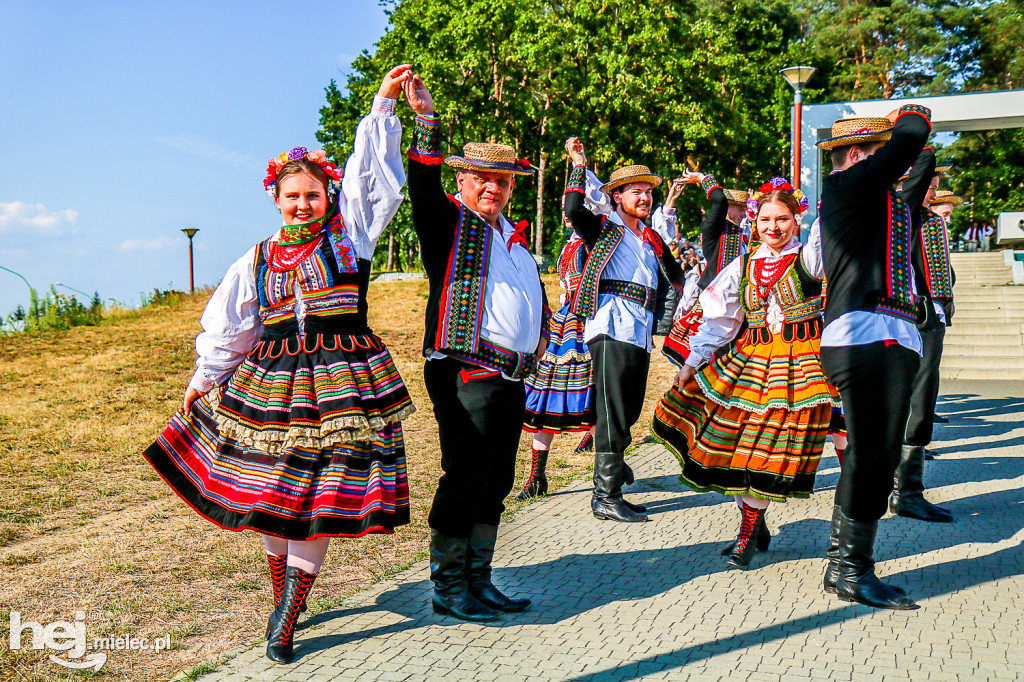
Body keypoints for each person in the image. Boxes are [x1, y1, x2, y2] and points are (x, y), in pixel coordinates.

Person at [143, 65, 415, 663]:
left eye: (312, 194)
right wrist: (203, 378)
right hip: (270, 384)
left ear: (329, 194)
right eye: (291, 196)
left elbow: (376, 182)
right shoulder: (258, 257)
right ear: (275, 197)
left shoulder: (352, 236)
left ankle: (288, 618)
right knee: (274, 495)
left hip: (343, 383)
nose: (302, 204)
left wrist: (382, 109)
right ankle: (281, 601)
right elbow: (232, 322)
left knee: (320, 500)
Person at [403, 73, 546, 622]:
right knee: (465, 474)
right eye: (482, 178)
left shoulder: (511, 235)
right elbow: (420, 187)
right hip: (466, 371)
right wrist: (426, 121)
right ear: (462, 181)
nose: (493, 187)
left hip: (510, 376)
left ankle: (478, 580)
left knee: (498, 478)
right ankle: (448, 586)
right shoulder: (449, 225)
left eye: (502, 181)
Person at [652, 178, 835, 568]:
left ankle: (751, 534)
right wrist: (690, 363)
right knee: (740, 448)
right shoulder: (745, 263)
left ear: (797, 219)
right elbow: (718, 319)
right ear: (754, 221)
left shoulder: (812, 256)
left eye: (783, 219)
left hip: (801, 363)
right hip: (749, 362)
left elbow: (828, 226)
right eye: (766, 219)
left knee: (772, 449)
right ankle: (754, 524)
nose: (773, 227)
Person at [817, 105, 933, 610]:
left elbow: (918, 160)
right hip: (864, 335)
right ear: (861, 154)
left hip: (891, 336)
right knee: (870, 456)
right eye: (881, 152)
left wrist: (914, 145)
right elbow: (911, 139)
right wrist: (908, 116)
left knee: (878, 455)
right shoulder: (846, 188)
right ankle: (848, 569)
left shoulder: (888, 203)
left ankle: (845, 565)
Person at [563, 137, 686, 523]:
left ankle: (614, 469)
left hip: (640, 328)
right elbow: (571, 206)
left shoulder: (650, 238)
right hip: (609, 324)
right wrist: (579, 165)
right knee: (613, 409)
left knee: (629, 408)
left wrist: (665, 322)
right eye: (636, 191)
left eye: (649, 192)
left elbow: (675, 277)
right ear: (616, 196)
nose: (645, 198)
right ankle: (605, 494)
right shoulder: (602, 228)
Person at [891, 151, 955, 522]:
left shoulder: (932, 220)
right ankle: (904, 491)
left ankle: (907, 489)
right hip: (911, 316)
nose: (931, 192)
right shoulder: (902, 213)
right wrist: (918, 142)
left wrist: (947, 293)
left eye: (934, 187)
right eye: (926, 186)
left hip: (933, 316)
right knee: (911, 398)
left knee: (924, 396)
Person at [518, 224, 597, 500]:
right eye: (564, 208)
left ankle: (606, 482)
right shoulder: (570, 245)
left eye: (571, 207)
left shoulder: (594, 238)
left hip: (589, 321)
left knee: (594, 398)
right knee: (547, 397)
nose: (565, 214)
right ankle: (536, 477)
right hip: (564, 323)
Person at [662, 170, 748, 367]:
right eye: (739, 208)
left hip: (737, 308)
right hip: (714, 306)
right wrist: (702, 178)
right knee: (708, 365)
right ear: (727, 209)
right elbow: (719, 200)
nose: (744, 213)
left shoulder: (745, 235)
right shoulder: (715, 231)